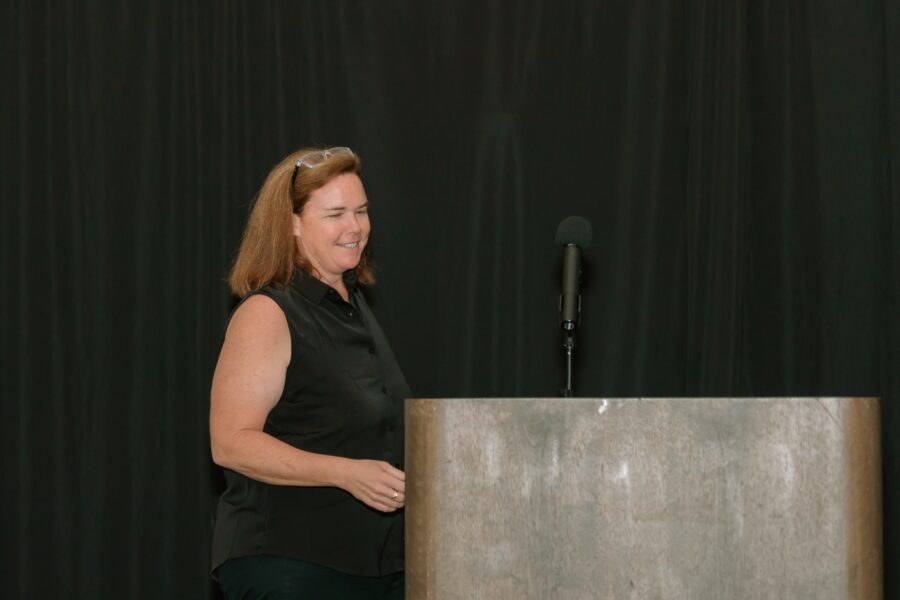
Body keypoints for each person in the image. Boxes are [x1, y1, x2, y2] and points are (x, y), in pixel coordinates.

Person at [209, 146, 410, 599]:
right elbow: (230, 441)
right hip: (291, 563)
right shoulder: (268, 312)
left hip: (376, 567)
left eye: (361, 211)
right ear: (293, 225)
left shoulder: (354, 308)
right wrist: (345, 472)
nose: (355, 227)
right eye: (336, 214)